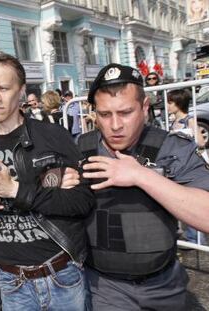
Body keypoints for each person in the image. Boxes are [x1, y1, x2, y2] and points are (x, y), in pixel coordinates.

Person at [0, 50, 95, 310]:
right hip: (11, 279)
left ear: (22, 91)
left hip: (60, 273)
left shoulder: (52, 135)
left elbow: (82, 201)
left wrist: (14, 189)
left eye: (3, 88)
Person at [78, 63, 209, 311]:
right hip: (104, 287)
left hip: (164, 284)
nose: (115, 125)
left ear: (145, 107)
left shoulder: (172, 149)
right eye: (105, 115)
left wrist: (142, 176)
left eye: (126, 112)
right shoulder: (80, 150)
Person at [167, 89, 208, 245]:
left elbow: (201, 142)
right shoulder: (173, 122)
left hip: (190, 167)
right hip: (177, 166)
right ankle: (191, 237)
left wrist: (186, 142)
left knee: (193, 201)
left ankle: (197, 239)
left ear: (178, 103)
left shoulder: (189, 120)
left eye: (170, 102)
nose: (168, 105)